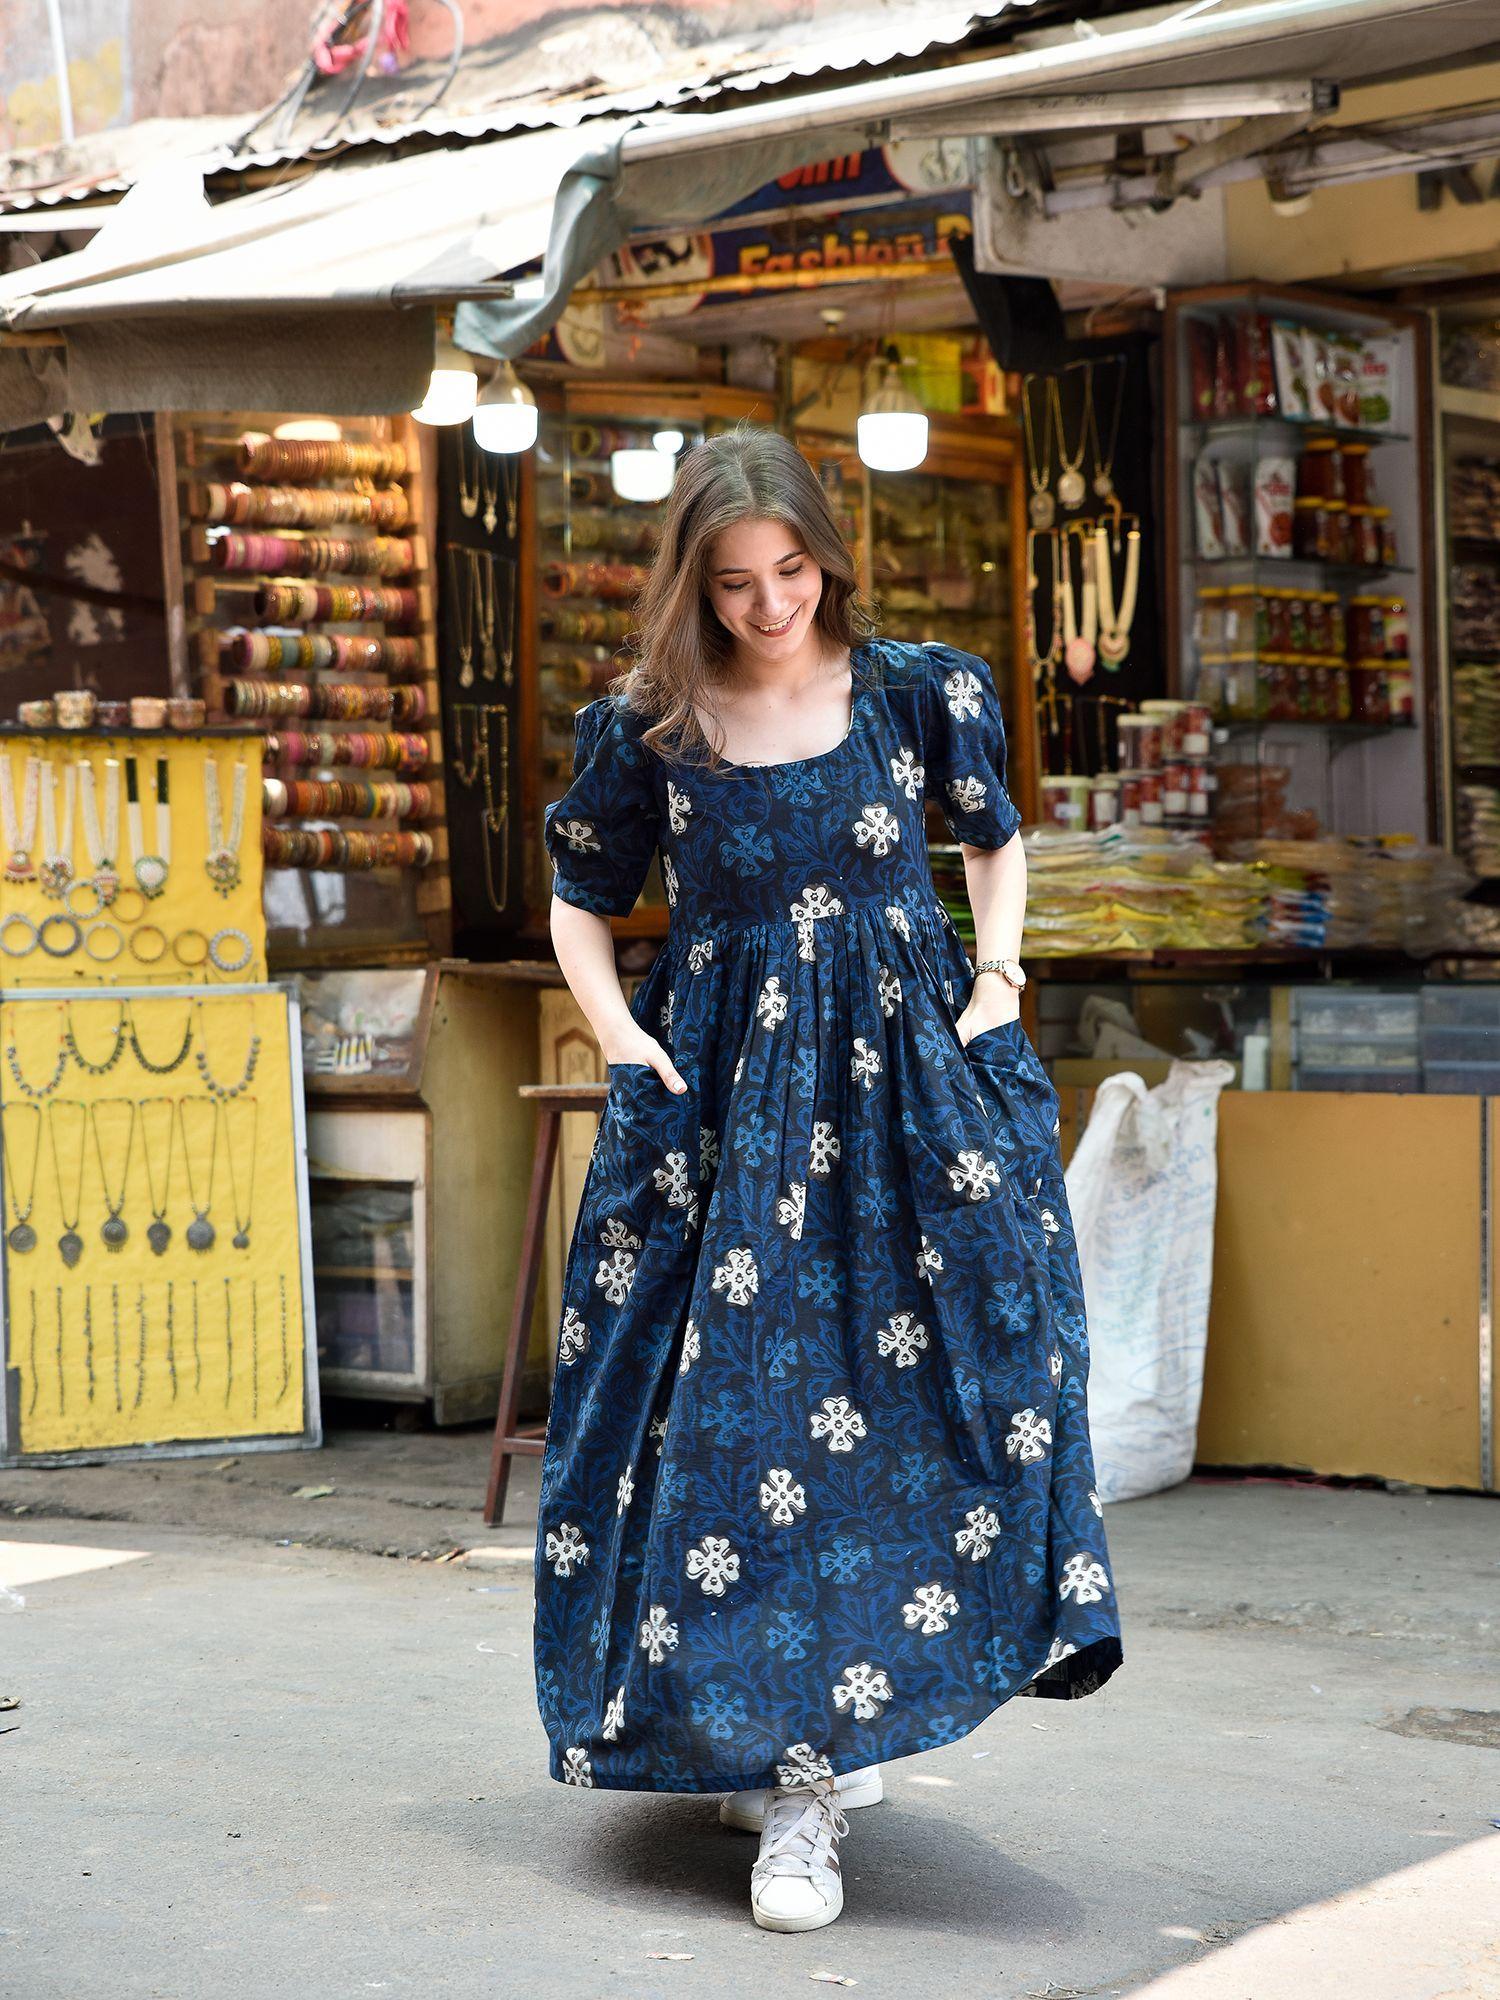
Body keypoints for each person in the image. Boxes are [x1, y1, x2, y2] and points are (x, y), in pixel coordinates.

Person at [538, 425, 1122, 1934]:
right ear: (693, 582)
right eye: (733, 583)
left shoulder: (924, 691)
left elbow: (996, 842)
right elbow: (580, 900)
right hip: (725, 1113)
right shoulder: (649, 727)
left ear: (827, 560)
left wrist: (996, 975)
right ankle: (791, 1770)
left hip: (906, 1098)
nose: (768, 606)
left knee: (969, 1372)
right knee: (733, 1415)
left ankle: (820, 1728)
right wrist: (621, 1043)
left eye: (791, 572)